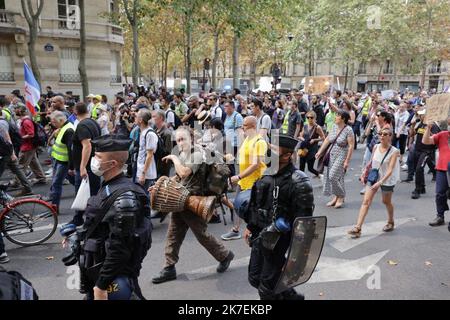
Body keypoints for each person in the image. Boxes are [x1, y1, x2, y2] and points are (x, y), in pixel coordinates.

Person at [69, 135, 152, 300]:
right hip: (98, 268)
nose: (94, 160)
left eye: (98, 157)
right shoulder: (108, 185)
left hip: (114, 277)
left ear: (113, 164)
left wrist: (101, 285)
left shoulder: (125, 199)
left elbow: (120, 248)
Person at [152, 127, 234, 284]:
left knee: (201, 234)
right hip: (181, 199)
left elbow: (183, 173)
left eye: (183, 139)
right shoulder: (184, 154)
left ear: (191, 138)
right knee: (173, 233)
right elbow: (179, 178)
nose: (180, 143)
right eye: (178, 140)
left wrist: (173, 159)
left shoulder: (196, 154)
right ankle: (169, 267)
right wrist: (158, 187)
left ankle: (224, 255)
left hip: (194, 201)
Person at [244, 134, 314, 300]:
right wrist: (250, 227)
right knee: (254, 278)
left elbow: (305, 224)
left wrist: (294, 259)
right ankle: (292, 297)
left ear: (287, 155)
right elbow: (258, 204)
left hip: (280, 241)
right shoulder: (267, 174)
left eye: (274, 150)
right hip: (260, 237)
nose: (268, 153)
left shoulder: (298, 181)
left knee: (266, 289)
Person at [348, 128, 400, 238]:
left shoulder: (394, 151)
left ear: (390, 137)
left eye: (385, 134)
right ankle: (358, 227)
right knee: (366, 201)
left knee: (386, 201)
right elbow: (371, 162)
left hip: (387, 179)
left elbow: (390, 170)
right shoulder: (376, 146)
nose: (382, 136)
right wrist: (364, 173)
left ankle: (391, 221)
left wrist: (380, 182)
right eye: (380, 134)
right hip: (374, 176)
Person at [222, 116, 267, 241]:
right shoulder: (247, 139)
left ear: (252, 126)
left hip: (255, 182)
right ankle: (236, 230)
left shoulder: (259, 142)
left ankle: (256, 233)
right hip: (244, 181)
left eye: (245, 126)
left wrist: (238, 176)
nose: (242, 128)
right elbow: (243, 154)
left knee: (253, 209)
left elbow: (256, 164)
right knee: (238, 205)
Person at [70, 102, 101, 226]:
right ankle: (81, 218)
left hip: (87, 167)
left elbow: (87, 145)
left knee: (84, 195)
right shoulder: (93, 122)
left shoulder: (82, 125)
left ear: (75, 111)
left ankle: (88, 221)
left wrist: (82, 167)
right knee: (91, 194)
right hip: (93, 165)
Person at [316, 110, 355, 208]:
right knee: (337, 177)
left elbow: (351, 146)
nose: (335, 117)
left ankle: (341, 195)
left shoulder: (348, 130)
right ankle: (336, 197)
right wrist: (320, 152)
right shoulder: (333, 127)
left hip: (342, 155)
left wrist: (347, 161)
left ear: (343, 119)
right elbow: (328, 139)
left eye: (337, 116)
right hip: (332, 153)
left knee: (333, 176)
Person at [422, 120, 450, 228]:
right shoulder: (442, 135)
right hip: (442, 168)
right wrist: (428, 128)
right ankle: (440, 216)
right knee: (440, 194)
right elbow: (426, 141)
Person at [410, 109, 439, 199]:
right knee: (418, 169)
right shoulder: (421, 124)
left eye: (422, 115)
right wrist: (413, 125)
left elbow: (435, 139)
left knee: (419, 169)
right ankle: (422, 187)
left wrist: (429, 129)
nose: (420, 116)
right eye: (420, 115)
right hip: (417, 150)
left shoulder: (433, 126)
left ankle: (417, 189)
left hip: (426, 151)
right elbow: (412, 134)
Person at [15, 105, 47, 187]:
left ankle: (16, 182)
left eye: (16, 109)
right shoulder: (25, 120)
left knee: (21, 165)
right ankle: (41, 177)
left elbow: (31, 134)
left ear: (20, 111)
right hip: (29, 146)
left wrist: (20, 137)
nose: (14, 111)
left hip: (27, 146)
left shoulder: (26, 122)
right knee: (33, 163)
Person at [48, 111, 74, 209]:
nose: (53, 125)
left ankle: (54, 208)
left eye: (54, 122)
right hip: (59, 160)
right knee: (73, 181)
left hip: (64, 162)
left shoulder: (68, 130)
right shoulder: (63, 127)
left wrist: (71, 167)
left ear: (61, 120)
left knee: (56, 184)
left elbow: (70, 149)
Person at [135, 109, 158, 190]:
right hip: (140, 170)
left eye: (136, 116)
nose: (135, 118)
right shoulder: (143, 132)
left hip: (147, 174)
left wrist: (143, 174)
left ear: (141, 120)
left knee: (145, 197)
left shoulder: (150, 134)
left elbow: (149, 155)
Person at [298, 111, 325, 177]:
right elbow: (300, 135)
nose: (309, 119)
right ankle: (302, 181)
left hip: (312, 149)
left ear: (315, 118)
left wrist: (314, 140)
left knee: (310, 168)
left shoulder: (317, 127)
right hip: (303, 148)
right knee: (301, 166)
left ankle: (320, 175)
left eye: (311, 117)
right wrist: (302, 139)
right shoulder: (305, 126)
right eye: (308, 117)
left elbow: (323, 138)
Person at [223, 100, 244, 177]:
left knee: (230, 162)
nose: (225, 108)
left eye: (227, 106)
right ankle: (230, 180)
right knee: (228, 162)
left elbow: (240, 132)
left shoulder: (237, 116)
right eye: (224, 106)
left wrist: (240, 147)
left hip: (234, 143)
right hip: (228, 143)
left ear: (232, 107)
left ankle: (232, 179)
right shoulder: (227, 116)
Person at [152, 110, 173, 178]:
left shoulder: (167, 133)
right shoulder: (154, 130)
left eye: (154, 116)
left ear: (161, 118)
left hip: (162, 164)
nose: (152, 119)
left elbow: (168, 151)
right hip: (155, 162)